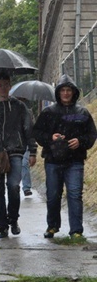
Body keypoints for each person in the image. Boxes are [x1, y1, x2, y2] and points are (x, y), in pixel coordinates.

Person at [33, 75, 97, 239]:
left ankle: (76, 230)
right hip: (53, 160)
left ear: (73, 92)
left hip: (75, 160)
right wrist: (50, 138)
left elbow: (91, 134)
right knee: (53, 194)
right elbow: (37, 132)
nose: (66, 93)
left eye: (69, 90)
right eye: (63, 90)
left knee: (75, 194)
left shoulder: (82, 112)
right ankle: (52, 226)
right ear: (58, 92)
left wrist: (81, 141)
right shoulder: (49, 112)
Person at [0, 72, 37, 238]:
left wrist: (32, 151)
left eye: (6, 84)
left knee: (13, 186)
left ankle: (13, 219)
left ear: (10, 86)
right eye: (0, 85)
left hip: (15, 151)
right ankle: (2, 225)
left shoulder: (20, 106)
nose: (3, 88)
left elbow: (28, 129)